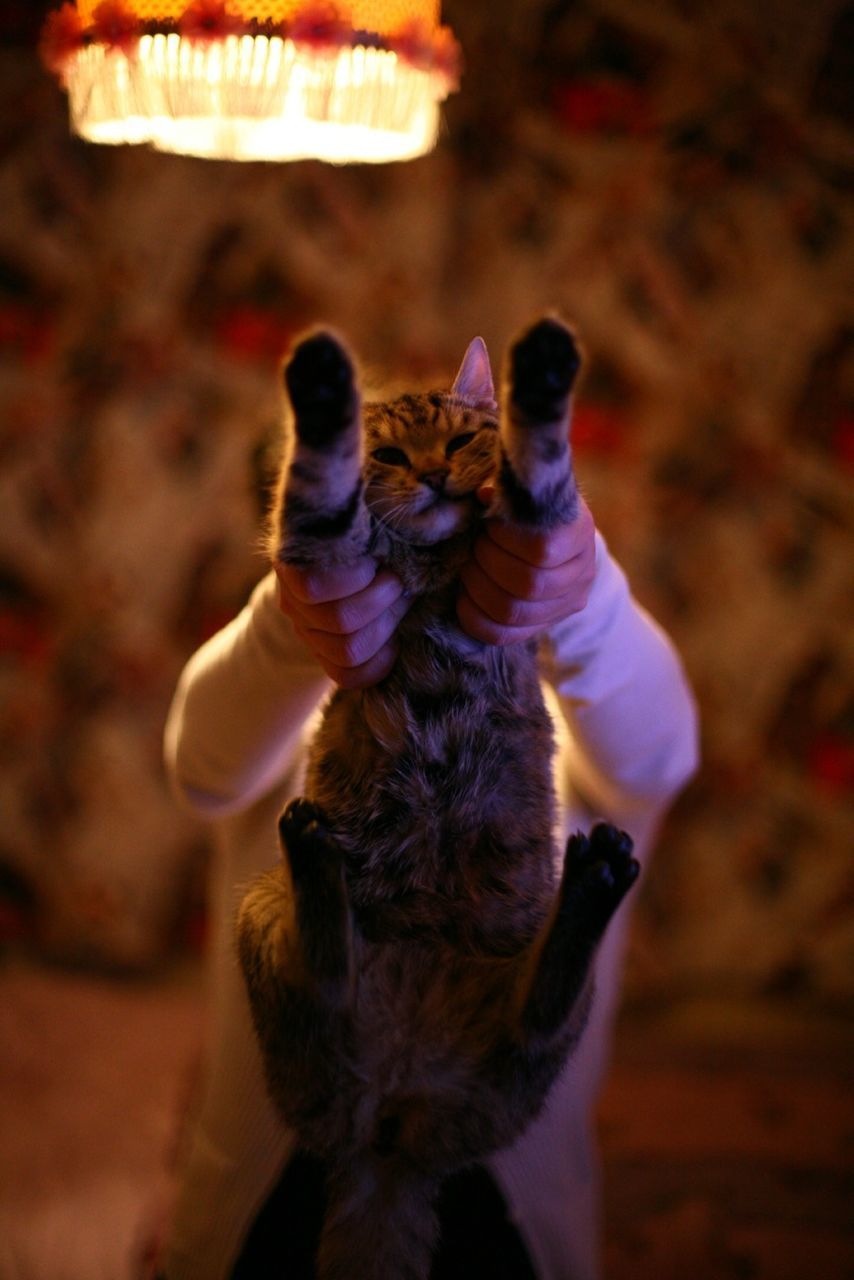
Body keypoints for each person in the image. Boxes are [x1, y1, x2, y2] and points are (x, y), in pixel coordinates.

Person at [160, 492, 699, 1280]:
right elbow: (200, 770)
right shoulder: (303, 705)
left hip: (496, 1191)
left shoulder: (567, 726)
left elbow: (661, 759)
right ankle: (329, 938)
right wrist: (291, 617)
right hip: (277, 1187)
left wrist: (582, 599)